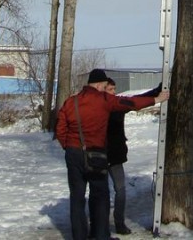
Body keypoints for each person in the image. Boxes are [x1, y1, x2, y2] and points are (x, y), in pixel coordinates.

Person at [55, 68, 169, 240]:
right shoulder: (104, 100)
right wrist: (156, 99)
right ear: (100, 84)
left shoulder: (71, 102)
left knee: (77, 197)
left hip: (73, 154)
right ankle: (100, 235)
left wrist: (68, 146)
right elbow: (131, 103)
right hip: (96, 155)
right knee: (100, 195)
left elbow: (60, 127)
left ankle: (79, 236)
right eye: (105, 85)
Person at [100, 78, 162, 236]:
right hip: (98, 155)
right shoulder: (97, 106)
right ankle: (100, 225)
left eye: (114, 89)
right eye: (110, 90)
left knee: (120, 190)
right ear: (102, 89)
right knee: (101, 192)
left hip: (114, 155)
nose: (114, 93)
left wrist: (157, 91)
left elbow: (136, 100)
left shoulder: (119, 104)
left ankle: (119, 223)